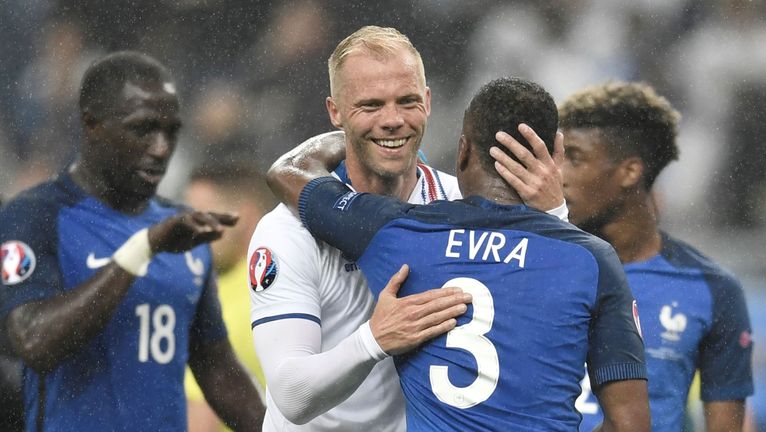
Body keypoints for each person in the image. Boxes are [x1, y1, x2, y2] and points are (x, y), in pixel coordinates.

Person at [267, 77, 651, 431]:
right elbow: (629, 424)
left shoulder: (399, 233)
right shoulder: (591, 260)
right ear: (556, 156)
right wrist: (557, 217)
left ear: (463, 151)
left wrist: (357, 135)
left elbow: (289, 171)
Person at [248, 26, 567, 431]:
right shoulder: (287, 230)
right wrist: (375, 339)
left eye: (407, 101)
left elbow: (548, 305)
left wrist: (555, 214)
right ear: (335, 112)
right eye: (370, 105)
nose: (393, 120)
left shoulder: (462, 205)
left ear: (429, 101)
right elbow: (291, 396)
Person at [0, 51, 265, 431]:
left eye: (171, 131)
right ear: (91, 124)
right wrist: (142, 250)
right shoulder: (34, 217)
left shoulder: (180, 231)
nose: (161, 148)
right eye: (143, 129)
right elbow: (34, 341)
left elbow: (217, 370)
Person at [493, 81, 754, 431]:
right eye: (557, 157)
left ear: (630, 172)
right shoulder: (521, 265)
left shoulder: (712, 288)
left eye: (575, 158)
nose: (558, 175)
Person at [184, 163, 276, 432]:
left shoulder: (222, 307)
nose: (191, 230)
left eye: (201, 217)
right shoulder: (294, 282)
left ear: (244, 216)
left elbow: (200, 422)